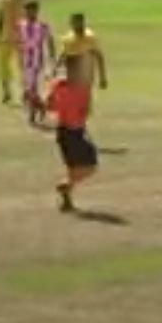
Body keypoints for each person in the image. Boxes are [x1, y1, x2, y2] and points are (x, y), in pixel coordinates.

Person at [46, 55, 98, 213]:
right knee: (90, 166)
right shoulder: (83, 87)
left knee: (73, 167)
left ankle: (67, 201)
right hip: (75, 131)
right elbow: (86, 111)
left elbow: (50, 106)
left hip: (62, 131)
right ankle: (66, 185)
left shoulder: (58, 85)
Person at [18, 0, 55, 125]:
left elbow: (49, 41)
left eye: (32, 10)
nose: (29, 13)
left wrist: (52, 57)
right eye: (27, 10)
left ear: (37, 11)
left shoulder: (42, 25)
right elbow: (20, 41)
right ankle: (40, 107)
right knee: (27, 89)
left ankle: (33, 114)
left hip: (36, 60)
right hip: (25, 59)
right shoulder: (21, 24)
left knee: (32, 87)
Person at [57, 12, 108, 92]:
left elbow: (99, 56)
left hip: (86, 74)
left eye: (80, 23)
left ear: (84, 23)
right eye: (75, 23)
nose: (77, 26)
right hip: (71, 74)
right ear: (71, 24)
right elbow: (63, 55)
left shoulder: (90, 37)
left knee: (84, 97)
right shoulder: (68, 38)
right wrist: (56, 69)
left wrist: (102, 77)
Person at [0, 0, 25, 104]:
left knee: (23, 66)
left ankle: (25, 92)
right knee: (4, 66)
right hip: (6, 36)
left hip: (21, 38)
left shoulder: (26, 0)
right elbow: (0, 18)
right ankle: (6, 92)